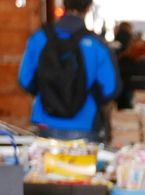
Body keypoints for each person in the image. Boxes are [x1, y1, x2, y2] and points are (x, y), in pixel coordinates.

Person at [18, 0, 120, 140]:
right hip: (85, 124)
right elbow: (110, 89)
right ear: (88, 7)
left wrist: (50, 93)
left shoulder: (40, 38)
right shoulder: (96, 45)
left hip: (45, 122)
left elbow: (25, 80)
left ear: (63, 5)